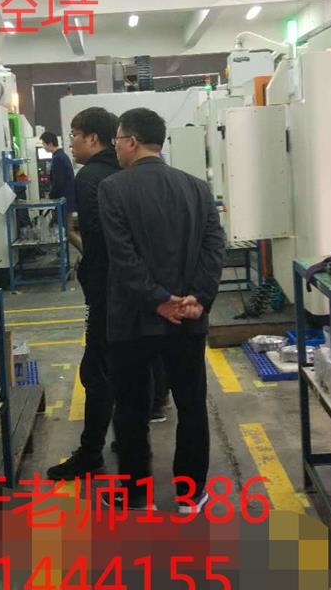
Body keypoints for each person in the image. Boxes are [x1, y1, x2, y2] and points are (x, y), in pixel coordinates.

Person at [98, 108, 225, 513]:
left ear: (131, 141)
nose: (116, 147)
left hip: (133, 320)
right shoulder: (197, 188)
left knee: (132, 408)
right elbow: (213, 248)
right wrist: (197, 298)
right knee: (191, 405)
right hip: (188, 319)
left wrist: (156, 300)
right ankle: (190, 495)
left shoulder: (112, 188)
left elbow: (123, 256)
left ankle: (136, 494)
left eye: (118, 140)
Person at [46, 108, 120, 481]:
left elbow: (98, 240)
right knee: (131, 366)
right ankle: (129, 434)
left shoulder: (89, 176)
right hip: (138, 292)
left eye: (74, 134)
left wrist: (88, 269)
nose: (71, 142)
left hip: (107, 292)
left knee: (95, 371)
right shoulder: (126, 171)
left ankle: (90, 453)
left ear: (93, 138)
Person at [40, 131, 76, 232]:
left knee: (61, 230)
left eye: (44, 144)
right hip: (68, 200)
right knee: (67, 230)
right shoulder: (62, 156)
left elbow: (58, 183)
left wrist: (50, 196)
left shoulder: (58, 158)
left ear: (50, 144)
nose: (43, 147)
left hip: (63, 200)